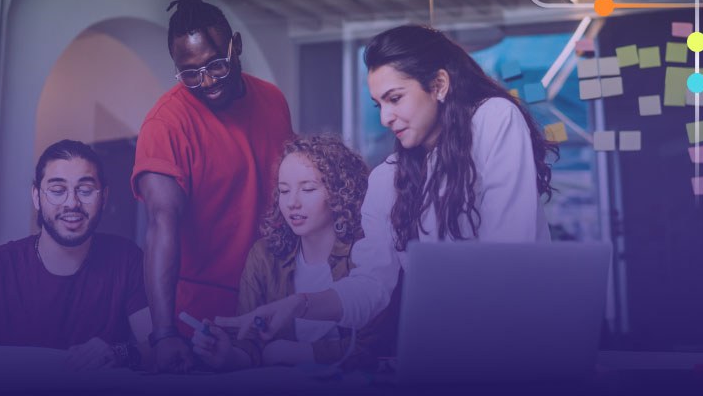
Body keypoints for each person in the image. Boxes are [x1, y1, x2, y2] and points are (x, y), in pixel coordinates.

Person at [219, 24, 557, 342]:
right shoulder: (388, 178)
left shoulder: (493, 118)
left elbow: (511, 250)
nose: (385, 117)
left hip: (514, 337)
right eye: (379, 104)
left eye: (395, 98)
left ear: (438, 85)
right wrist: (299, 304)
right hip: (447, 348)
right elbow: (371, 286)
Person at [132, 0, 293, 372]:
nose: (207, 81)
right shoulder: (166, 124)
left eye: (216, 64)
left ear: (235, 46)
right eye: (190, 74)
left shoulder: (272, 99)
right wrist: (165, 334)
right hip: (199, 318)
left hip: (269, 302)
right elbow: (160, 224)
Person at [0, 139, 151, 371]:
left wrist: (119, 353)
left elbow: (159, 349)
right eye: (57, 190)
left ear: (104, 197)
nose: (72, 203)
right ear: (36, 196)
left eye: (86, 190)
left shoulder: (126, 260)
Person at [193, 135, 398, 370]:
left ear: (340, 192)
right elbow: (249, 341)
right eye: (284, 190)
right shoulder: (264, 256)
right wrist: (230, 355)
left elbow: (376, 346)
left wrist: (305, 353)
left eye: (308, 189)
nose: (292, 203)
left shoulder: (367, 253)